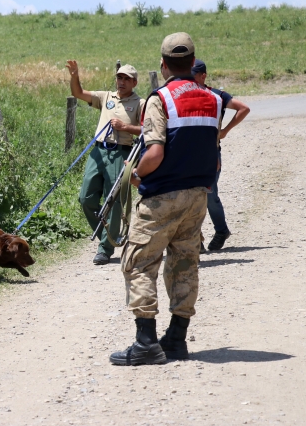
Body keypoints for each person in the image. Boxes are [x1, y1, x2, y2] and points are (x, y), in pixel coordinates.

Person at [109, 32, 221, 366]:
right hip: (197, 197)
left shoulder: (161, 99)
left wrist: (137, 174)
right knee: (185, 263)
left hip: (161, 197)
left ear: (163, 64)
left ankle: (145, 343)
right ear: (193, 62)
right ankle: (176, 339)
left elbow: (155, 151)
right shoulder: (213, 99)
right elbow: (212, 155)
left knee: (139, 262)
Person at [66, 60, 144, 265]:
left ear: (134, 82)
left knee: (115, 202)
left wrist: (125, 127)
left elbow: (147, 130)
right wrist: (74, 76)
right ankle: (109, 235)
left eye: (127, 79)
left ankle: (105, 249)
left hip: (122, 152)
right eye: (119, 77)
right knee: (86, 198)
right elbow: (78, 93)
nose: (122, 82)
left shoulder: (140, 103)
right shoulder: (106, 96)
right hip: (99, 151)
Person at [192, 59, 251, 251]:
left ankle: (221, 230)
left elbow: (244, 108)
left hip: (210, 152)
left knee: (209, 195)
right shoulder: (183, 95)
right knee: (190, 196)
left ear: (203, 76)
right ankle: (195, 239)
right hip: (189, 154)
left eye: (194, 75)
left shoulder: (217, 95)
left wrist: (225, 130)